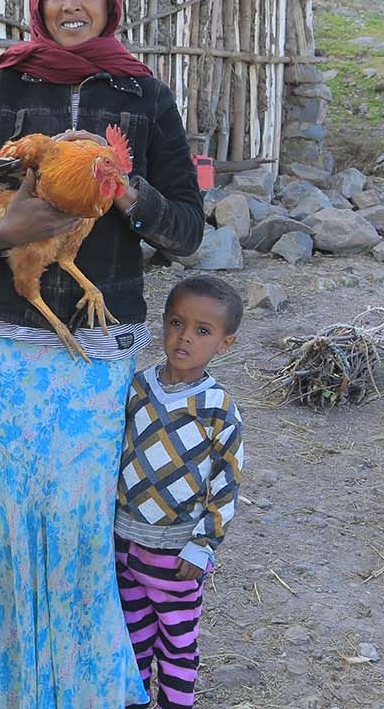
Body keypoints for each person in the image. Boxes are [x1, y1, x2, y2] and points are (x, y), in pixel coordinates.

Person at [0, 0, 205, 707]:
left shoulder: (144, 97)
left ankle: (92, 686)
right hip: (11, 337)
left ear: (110, 0)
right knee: (15, 513)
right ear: (36, 1)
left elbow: (187, 227)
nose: (69, 6)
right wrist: (3, 232)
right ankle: (24, 685)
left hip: (100, 342)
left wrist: (129, 196)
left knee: (83, 516)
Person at [115, 276, 245, 709]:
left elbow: (226, 482)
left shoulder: (218, 408)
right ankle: (134, 701)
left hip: (176, 556)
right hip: (123, 544)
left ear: (225, 344)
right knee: (130, 637)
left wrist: (202, 546)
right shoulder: (135, 388)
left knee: (177, 642)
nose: (185, 337)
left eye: (202, 331)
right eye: (176, 323)